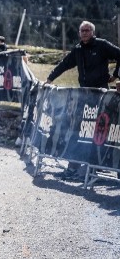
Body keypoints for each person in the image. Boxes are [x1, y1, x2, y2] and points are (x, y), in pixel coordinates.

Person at [44, 20, 120, 179]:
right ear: (79, 33)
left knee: (99, 133)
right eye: (82, 30)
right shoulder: (78, 49)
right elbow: (64, 64)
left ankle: (96, 168)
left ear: (93, 32)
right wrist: (50, 79)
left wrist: (116, 74)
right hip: (83, 97)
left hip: (100, 97)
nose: (84, 33)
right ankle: (74, 168)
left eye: (87, 30)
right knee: (78, 130)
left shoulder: (102, 45)